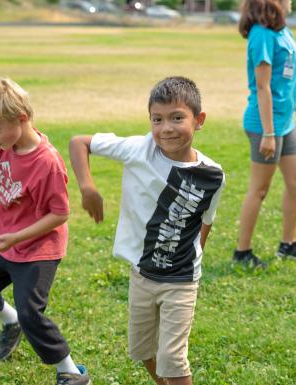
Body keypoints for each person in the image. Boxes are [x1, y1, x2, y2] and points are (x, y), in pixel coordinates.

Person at [69, 77, 225, 385]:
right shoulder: (138, 149)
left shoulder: (212, 175)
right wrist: (88, 188)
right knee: (142, 350)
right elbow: (79, 142)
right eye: (158, 119)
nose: (166, 128)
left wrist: (194, 259)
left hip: (180, 280)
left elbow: (206, 221)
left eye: (177, 118)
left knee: (172, 358)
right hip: (142, 274)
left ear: (199, 120)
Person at [0, 69, 92, 385]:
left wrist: (16, 236)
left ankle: (70, 372)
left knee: (33, 312)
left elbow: (60, 214)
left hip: (38, 248)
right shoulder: (4, 134)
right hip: (9, 241)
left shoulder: (46, 163)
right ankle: (11, 322)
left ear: (20, 118)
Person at [233, 0, 296, 267]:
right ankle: (242, 253)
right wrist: (269, 133)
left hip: (285, 124)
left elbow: (289, 80)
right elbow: (263, 87)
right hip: (264, 126)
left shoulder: (284, 31)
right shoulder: (261, 35)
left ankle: (288, 245)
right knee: (259, 190)